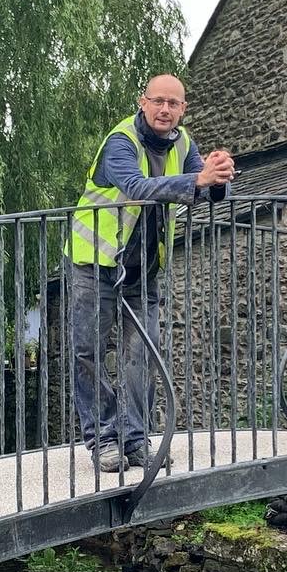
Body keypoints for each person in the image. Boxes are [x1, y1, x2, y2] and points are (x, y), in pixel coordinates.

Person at [67, 75, 234, 472]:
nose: (165, 109)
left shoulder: (183, 143)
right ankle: (103, 438)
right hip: (96, 262)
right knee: (88, 352)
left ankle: (137, 438)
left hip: (143, 269)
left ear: (183, 109)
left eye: (173, 103)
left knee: (142, 355)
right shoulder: (120, 141)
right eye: (158, 101)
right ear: (142, 102)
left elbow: (204, 191)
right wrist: (199, 179)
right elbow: (136, 186)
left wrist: (219, 175)